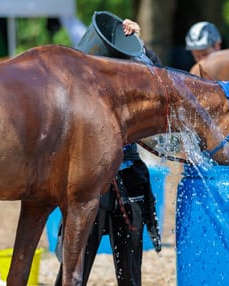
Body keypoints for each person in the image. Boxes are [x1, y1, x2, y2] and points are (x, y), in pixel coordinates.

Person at [55, 17, 162, 286]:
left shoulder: (130, 85)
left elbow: (160, 85)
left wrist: (141, 47)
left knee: (130, 276)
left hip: (128, 176)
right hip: (88, 182)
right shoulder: (75, 87)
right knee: (72, 274)